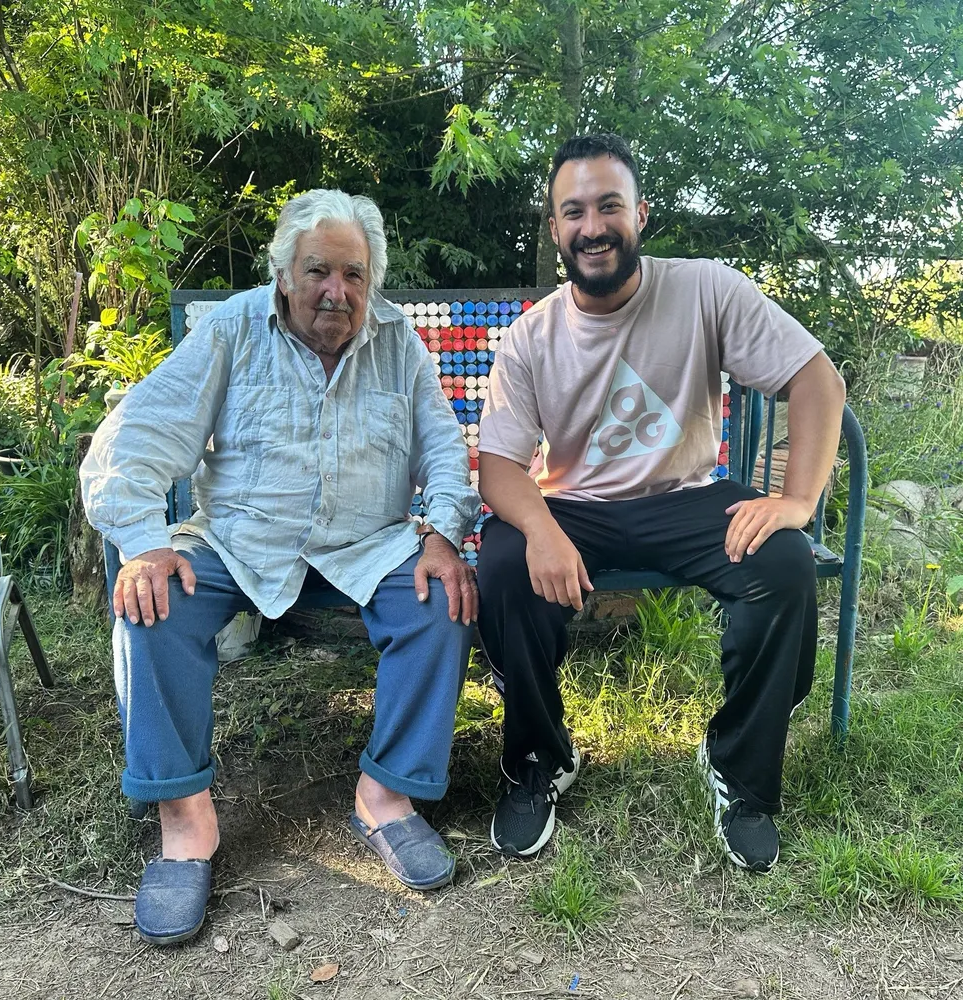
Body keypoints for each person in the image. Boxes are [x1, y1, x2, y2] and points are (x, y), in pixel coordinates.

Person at [81, 189, 482, 945]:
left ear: (373, 281)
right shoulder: (233, 328)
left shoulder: (400, 343)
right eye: (319, 271)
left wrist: (443, 534)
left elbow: (444, 452)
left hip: (366, 542)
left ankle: (386, 796)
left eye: (354, 275)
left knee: (441, 601)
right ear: (284, 273)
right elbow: (137, 434)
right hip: (241, 539)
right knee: (151, 605)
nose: (337, 291)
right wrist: (143, 540)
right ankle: (185, 821)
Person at [475, 134, 846, 872]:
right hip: (574, 505)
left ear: (639, 213)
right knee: (507, 562)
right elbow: (498, 466)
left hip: (684, 499)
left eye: (609, 205)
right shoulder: (530, 337)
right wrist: (541, 526)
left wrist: (797, 500)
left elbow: (817, 379)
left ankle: (739, 772)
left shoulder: (705, 288)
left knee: (783, 561)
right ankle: (539, 760)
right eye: (573, 211)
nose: (593, 226)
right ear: (555, 230)